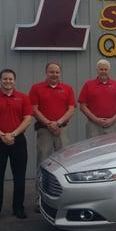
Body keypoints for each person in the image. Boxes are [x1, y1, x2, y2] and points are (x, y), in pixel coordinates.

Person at [0, 68, 33, 222]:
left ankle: (18, 208)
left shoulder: (23, 98)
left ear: (14, 81)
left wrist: (13, 134)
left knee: (19, 176)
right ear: (0, 80)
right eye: (5, 79)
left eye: (10, 79)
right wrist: (2, 135)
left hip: (18, 141)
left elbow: (27, 119)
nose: (8, 81)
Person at [29, 62, 75, 211]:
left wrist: (58, 122)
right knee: (42, 164)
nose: (54, 75)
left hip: (62, 130)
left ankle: (63, 198)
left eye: (57, 72)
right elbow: (34, 109)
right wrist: (49, 123)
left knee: (64, 165)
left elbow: (71, 108)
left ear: (60, 73)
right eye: (51, 72)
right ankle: (39, 199)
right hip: (44, 131)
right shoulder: (36, 88)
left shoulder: (67, 89)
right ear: (46, 73)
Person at [78, 59, 116, 138]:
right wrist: (96, 120)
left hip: (113, 124)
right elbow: (82, 106)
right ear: (97, 70)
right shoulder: (88, 85)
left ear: (109, 70)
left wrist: (113, 119)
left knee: (114, 149)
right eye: (101, 69)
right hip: (93, 125)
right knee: (93, 148)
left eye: (106, 69)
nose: (103, 71)